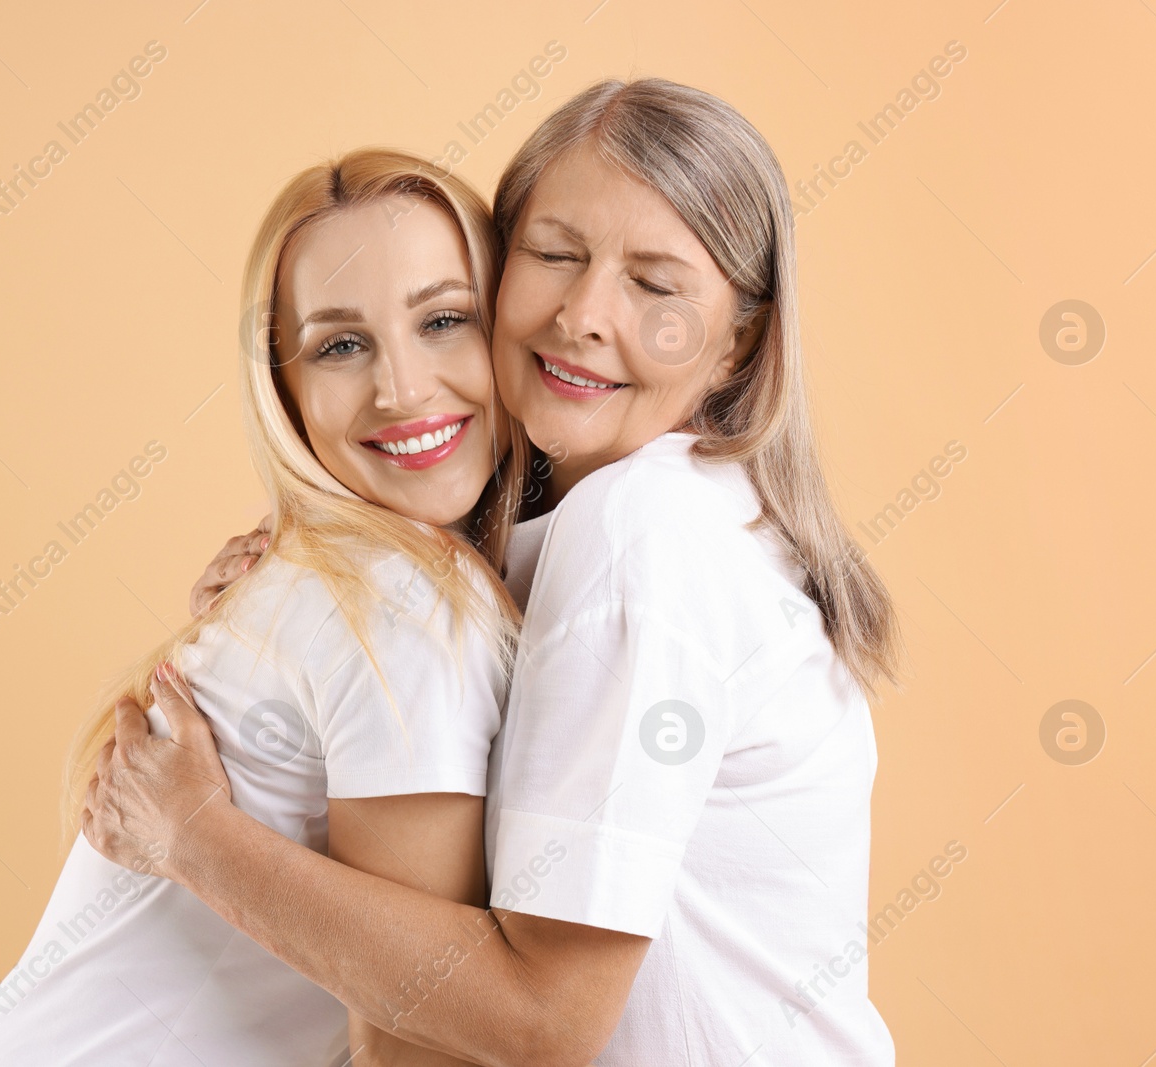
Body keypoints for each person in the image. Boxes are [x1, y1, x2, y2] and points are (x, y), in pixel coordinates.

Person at [85, 78, 903, 1066]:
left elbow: (543, 1020)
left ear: (737, 340)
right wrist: (305, 623)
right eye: (555, 255)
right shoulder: (648, 519)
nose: (582, 315)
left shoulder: (642, 529)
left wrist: (196, 835)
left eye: (655, 284)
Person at [0, 147, 529, 1066]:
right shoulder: (409, 601)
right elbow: (414, 1040)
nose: (403, 389)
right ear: (287, 389)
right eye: (341, 344)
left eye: (445, 320)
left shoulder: (357, 575)